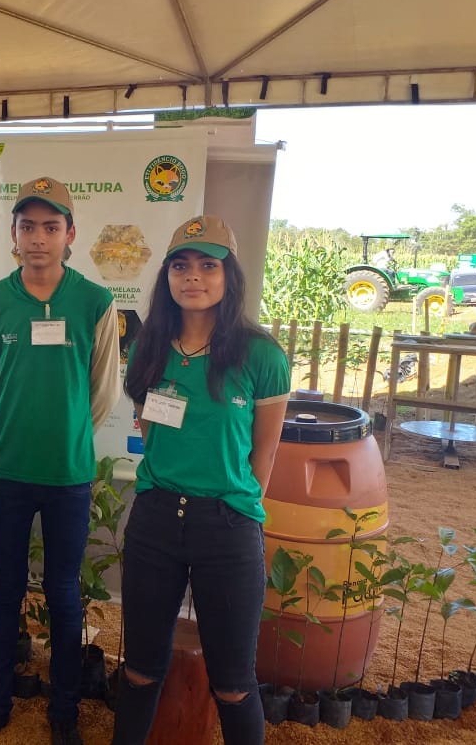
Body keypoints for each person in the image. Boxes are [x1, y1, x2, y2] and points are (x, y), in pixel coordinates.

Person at [0, 176, 120, 745]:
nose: (39, 238)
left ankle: (64, 715)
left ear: (70, 234)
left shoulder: (96, 302)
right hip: (8, 472)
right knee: (3, 589)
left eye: (51, 227)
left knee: (64, 593)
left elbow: (102, 394)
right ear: (15, 235)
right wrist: (21, 433)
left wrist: (69, 432)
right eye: (28, 227)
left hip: (69, 475)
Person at [110, 216, 290, 745]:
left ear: (228, 275)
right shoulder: (148, 347)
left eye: (208, 265)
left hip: (228, 530)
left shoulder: (262, 356)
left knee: (233, 685)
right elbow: (148, 427)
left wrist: (233, 506)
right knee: (141, 670)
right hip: (156, 521)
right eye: (181, 265)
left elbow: (265, 454)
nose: (194, 277)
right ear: (166, 275)